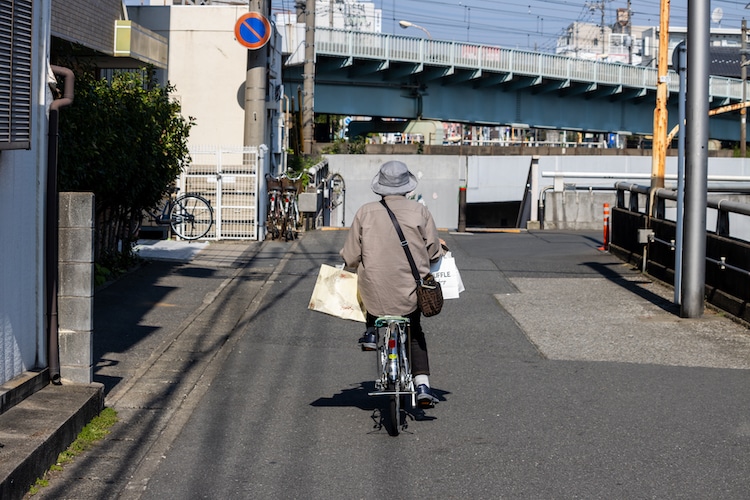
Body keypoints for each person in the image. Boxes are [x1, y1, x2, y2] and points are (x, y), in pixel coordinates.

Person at [340, 160, 444, 408]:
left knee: (366, 283)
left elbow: (351, 257)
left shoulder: (365, 212)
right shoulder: (420, 211)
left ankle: (369, 332)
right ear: (406, 187)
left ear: (381, 187)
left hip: (374, 292)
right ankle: (422, 385)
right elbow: (434, 252)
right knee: (414, 328)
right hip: (410, 291)